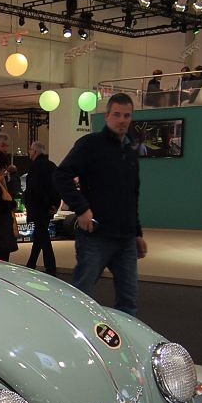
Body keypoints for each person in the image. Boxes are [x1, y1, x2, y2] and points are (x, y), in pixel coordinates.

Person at [53, 92, 147, 316]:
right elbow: (61, 175)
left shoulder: (129, 152)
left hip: (125, 239)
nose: (122, 120)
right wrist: (82, 209)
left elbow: (131, 196)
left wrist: (137, 233)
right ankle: (75, 333)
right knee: (82, 297)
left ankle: (124, 339)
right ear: (107, 116)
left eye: (127, 115)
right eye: (117, 114)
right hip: (95, 237)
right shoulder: (90, 144)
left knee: (128, 301)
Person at [24, 141, 59, 275]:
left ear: (35, 151)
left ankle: (51, 268)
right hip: (48, 208)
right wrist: (54, 205)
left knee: (43, 238)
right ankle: (31, 264)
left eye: (30, 150)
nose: (29, 152)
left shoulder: (35, 167)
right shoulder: (52, 166)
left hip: (39, 207)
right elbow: (58, 186)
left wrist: (47, 204)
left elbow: (36, 189)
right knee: (39, 235)